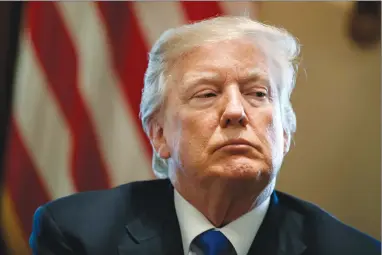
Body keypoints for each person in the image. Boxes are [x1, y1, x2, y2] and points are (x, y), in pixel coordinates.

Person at [29, 16, 380, 255]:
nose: (235, 111)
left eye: (258, 94)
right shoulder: (77, 234)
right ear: (159, 134)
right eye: (207, 94)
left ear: (285, 132)